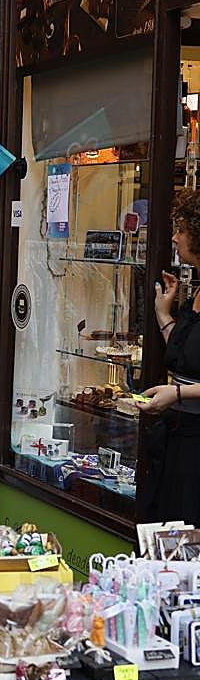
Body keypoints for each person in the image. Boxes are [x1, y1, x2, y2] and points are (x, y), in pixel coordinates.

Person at [140, 189, 200, 523]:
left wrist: (175, 393)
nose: (174, 237)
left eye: (181, 229)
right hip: (178, 438)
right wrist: (164, 314)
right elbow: (185, 353)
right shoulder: (197, 290)